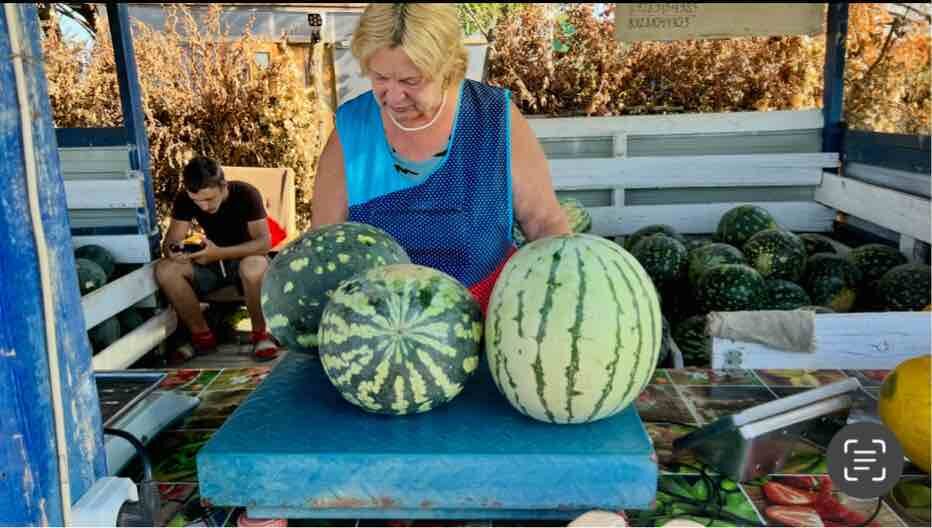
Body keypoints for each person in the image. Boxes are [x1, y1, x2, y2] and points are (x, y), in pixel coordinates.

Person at [312, 3, 571, 313]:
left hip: (486, 326)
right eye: (380, 78)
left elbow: (544, 223)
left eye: (411, 81)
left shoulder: (493, 118)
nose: (393, 97)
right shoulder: (352, 127)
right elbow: (324, 248)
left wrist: (564, 296)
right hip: (379, 332)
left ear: (447, 68)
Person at [155, 156, 280, 362]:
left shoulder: (246, 194)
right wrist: (176, 251)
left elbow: (264, 243)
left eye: (209, 199)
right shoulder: (185, 199)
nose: (203, 207)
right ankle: (202, 336)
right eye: (197, 201)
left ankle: (261, 333)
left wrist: (219, 253)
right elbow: (169, 244)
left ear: (223, 186)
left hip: (246, 261)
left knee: (254, 265)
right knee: (165, 269)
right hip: (211, 264)